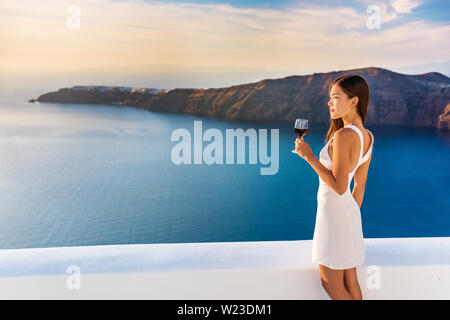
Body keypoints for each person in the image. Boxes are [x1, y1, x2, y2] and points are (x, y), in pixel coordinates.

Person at [294, 75, 375, 300]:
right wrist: (350, 217)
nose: (329, 103)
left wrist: (309, 156)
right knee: (351, 282)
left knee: (331, 285)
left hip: (334, 216)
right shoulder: (367, 136)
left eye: (335, 97)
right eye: (329, 98)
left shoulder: (344, 135)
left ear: (354, 101)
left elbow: (339, 187)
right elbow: (359, 185)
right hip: (348, 213)